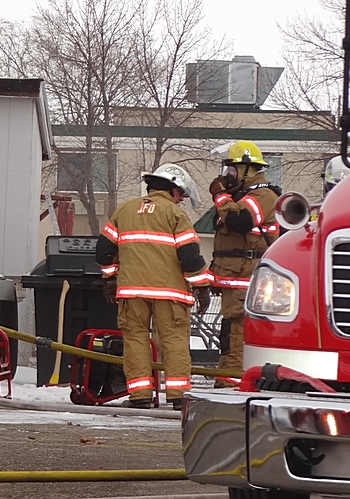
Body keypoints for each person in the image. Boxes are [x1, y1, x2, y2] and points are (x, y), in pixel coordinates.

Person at [96, 164, 211, 410]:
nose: (181, 200)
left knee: (135, 340)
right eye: (181, 194)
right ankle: (179, 395)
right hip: (170, 293)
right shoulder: (175, 215)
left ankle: (140, 396)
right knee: (174, 341)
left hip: (131, 291)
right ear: (172, 189)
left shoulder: (124, 211)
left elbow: (104, 252)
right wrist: (201, 286)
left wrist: (110, 279)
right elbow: (190, 257)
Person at [208, 140, 280, 387]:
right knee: (230, 332)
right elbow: (228, 243)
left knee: (236, 334)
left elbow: (240, 221)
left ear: (248, 169)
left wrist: (220, 195)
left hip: (246, 281)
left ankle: (230, 383)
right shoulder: (241, 196)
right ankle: (227, 378)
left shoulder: (263, 195)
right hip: (235, 280)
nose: (228, 176)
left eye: (232, 170)